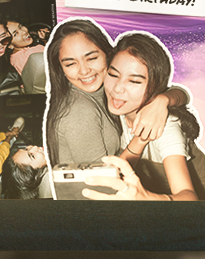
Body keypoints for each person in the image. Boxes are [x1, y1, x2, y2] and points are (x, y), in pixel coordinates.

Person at [83, 31, 205, 202]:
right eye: (113, 75)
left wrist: (146, 197)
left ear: (155, 85)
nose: (117, 88)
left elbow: (189, 197)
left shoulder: (166, 126)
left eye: (134, 81)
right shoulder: (118, 108)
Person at [43, 18, 170, 168]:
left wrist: (163, 100)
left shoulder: (110, 86)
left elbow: (177, 91)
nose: (84, 71)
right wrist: (141, 138)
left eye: (91, 58)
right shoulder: (79, 110)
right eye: (70, 64)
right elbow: (102, 178)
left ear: (108, 54)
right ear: (60, 68)